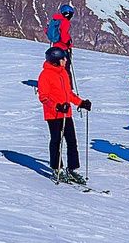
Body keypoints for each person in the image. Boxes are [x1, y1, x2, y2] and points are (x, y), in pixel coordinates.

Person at [38, 45, 91, 185]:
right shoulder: (45, 75)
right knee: (56, 141)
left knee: (72, 141)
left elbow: (69, 94)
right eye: (63, 59)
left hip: (66, 114)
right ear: (55, 60)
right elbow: (43, 97)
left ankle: (72, 168)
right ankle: (57, 168)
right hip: (53, 115)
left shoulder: (63, 73)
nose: (66, 61)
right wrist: (56, 106)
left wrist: (81, 103)